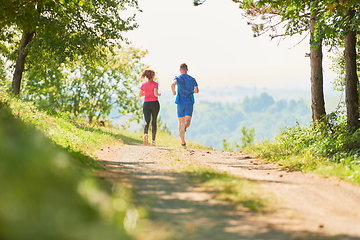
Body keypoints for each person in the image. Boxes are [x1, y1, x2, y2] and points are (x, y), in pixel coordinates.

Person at [171, 63, 199, 149]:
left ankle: (183, 143)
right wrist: (192, 92)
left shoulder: (178, 78)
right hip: (189, 102)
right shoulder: (192, 79)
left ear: (180, 70)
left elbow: (173, 84)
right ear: (187, 69)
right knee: (188, 122)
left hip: (180, 102)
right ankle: (185, 127)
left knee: (180, 123)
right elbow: (197, 90)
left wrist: (173, 92)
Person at [139, 69, 161, 146]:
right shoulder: (155, 84)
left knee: (147, 121)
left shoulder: (143, 84)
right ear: (153, 76)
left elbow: (140, 95)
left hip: (146, 104)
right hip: (154, 103)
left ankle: (145, 134)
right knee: (154, 121)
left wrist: (147, 92)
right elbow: (155, 94)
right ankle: (153, 141)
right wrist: (159, 94)